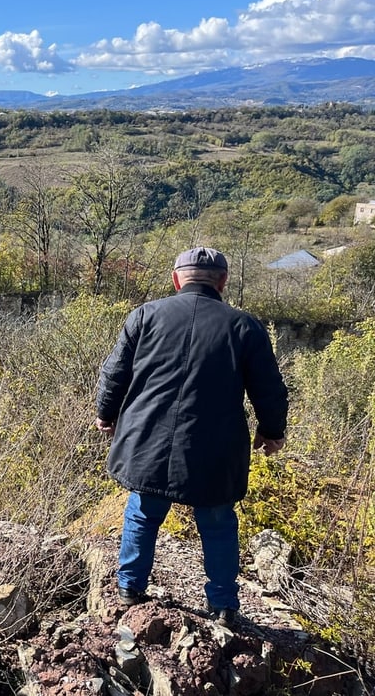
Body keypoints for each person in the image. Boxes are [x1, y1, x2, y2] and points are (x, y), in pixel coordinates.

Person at [95, 247, 288, 628]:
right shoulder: (244, 326)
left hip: (146, 438)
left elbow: (114, 373)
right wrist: (272, 431)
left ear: (176, 278)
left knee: (143, 513)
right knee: (217, 522)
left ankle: (129, 589)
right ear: (222, 281)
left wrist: (106, 413)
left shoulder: (145, 315)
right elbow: (269, 389)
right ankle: (223, 605)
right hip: (214, 448)